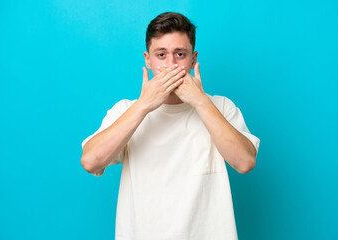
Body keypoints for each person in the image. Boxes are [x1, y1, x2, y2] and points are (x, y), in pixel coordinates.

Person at [81, 12, 260, 240]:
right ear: (148, 59)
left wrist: (200, 101)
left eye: (180, 54)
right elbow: (90, 161)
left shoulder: (220, 106)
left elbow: (245, 162)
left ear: (193, 59)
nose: (171, 65)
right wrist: (144, 105)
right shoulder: (125, 110)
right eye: (161, 55)